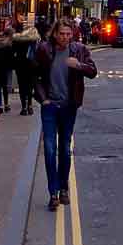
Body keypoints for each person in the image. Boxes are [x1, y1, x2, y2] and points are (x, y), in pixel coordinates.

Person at [34, 19, 99, 212]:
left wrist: (78, 65)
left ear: (73, 34)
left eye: (68, 34)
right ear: (55, 34)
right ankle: (53, 192)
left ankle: (63, 188)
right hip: (50, 106)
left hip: (69, 106)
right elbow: (34, 77)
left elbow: (93, 71)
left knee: (64, 148)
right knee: (49, 148)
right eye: (61, 33)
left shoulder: (79, 50)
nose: (65, 37)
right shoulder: (44, 49)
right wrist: (43, 99)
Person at [12, 23, 41, 115]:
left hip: (20, 66)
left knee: (22, 86)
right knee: (30, 86)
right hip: (32, 66)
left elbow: (13, 52)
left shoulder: (18, 40)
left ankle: (24, 107)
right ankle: (30, 105)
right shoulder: (35, 40)